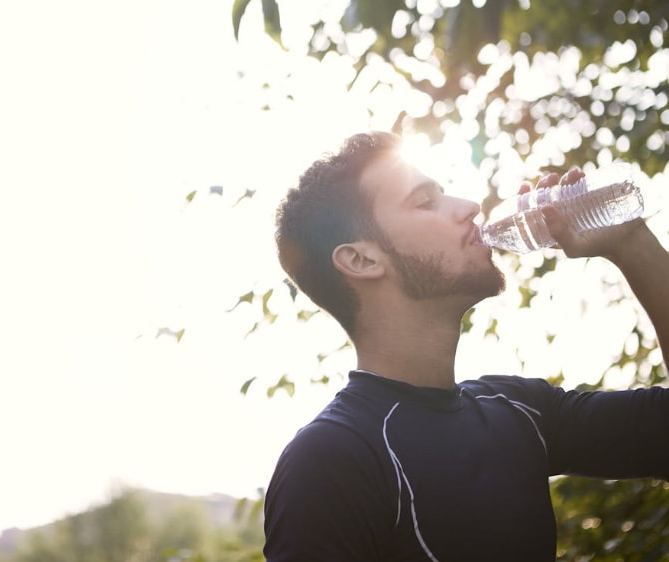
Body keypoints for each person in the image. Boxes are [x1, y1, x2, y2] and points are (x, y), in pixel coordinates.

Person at [262, 131, 669, 561]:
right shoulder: (330, 460)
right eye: (426, 202)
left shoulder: (519, 409)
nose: (470, 208)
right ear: (361, 260)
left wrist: (631, 242)